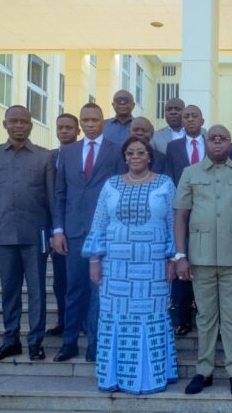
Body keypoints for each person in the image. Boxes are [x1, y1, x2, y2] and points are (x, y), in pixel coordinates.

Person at [82, 136, 178, 394]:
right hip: (115, 268)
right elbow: (99, 223)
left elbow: (173, 223)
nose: (135, 157)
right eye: (130, 153)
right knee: (115, 317)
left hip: (154, 266)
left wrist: (173, 258)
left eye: (140, 152)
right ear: (124, 157)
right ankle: (115, 376)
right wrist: (94, 259)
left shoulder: (165, 184)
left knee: (152, 316)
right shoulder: (111, 185)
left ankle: (151, 377)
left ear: (149, 156)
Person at [174, 125, 232, 396]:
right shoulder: (190, 173)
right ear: (206, 142)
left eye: (223, 139)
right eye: (213, 138)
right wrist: (181, 256)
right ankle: (204, 371)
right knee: (206, 316)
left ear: (230, 143)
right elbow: (181, 216)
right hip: (201, 256)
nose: (218, 142)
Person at [0, 105, 54, 362]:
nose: (19, 125)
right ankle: (10, 340)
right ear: (5, 124)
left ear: (31, 125)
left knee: (37, 291)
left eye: (24, 121)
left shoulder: (44, 157)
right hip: (3, 235)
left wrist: (55, 233)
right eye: (14, 121)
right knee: (9, 290)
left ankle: (35, 342)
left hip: (37, 235)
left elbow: (53, 199)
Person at [51, 102, 127, 363]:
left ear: (103, 122)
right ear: (80, 123)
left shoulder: (116, 151)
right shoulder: (68, 151)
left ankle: (95, 343)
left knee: (99, 292)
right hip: (73, 232)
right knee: (74, 289)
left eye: (95, 119)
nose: (90, 124)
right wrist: (58, 230)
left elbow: (120, 191)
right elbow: (60, 193)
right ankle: (69, 342)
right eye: (86, 120)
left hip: (105, 232)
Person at [164, 104, 206, 336]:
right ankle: (182, 318)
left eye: (194, 116)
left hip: (208, 211)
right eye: (186, 116)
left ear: (202, 119)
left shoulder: (213, 142)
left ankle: (205, 315)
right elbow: (170, 177)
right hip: (182, 211)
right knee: (182, 262)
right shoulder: (173, 147)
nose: (190, 119)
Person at [46, 113, 80, 337]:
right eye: (61, 127)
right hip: (54, 227)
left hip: (79, 226)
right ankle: (63, 321)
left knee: (81, 279)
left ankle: (82, 321)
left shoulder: (84, 155)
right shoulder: (48, 157)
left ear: (78, 131)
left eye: (69, 127)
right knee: (60, 281)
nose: (64, 131)